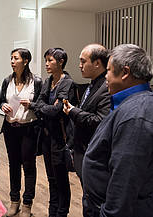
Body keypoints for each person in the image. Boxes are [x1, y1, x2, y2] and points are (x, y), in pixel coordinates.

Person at [82, 44, 153, 217]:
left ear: (125, 72)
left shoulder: (138, 115)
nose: (105, 76)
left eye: (108, 70)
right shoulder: (134, 103)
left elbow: (125, 179)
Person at [0, 48, 42, 217]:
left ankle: (27, 204)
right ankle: (14, 201)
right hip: (11, 128)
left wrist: (30, 105)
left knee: (29, 166)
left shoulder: (36, 82)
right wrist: (2, 105)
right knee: (13, 165)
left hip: (28, 129)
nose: (12, 61)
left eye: (15, 58)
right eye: (11, 58)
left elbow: (41, 104)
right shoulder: (7, 80)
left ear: (25, 61)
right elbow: (1, 100)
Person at [35, 48, 75, 217]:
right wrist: (44, 107)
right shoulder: (48, 81)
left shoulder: (67, 83)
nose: (47, 64)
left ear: (61, 62)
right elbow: (39, 103)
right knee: (51, 178)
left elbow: (57, 110)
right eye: (46, 60)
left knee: (61, 179)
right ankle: (53, 212)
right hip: (46, 135)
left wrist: (43, 107)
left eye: (50, 60)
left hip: (60, 137)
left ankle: (61, 212)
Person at [63, 44, 110, 183]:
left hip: (95, 155)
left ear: (97, 63)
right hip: (82, 152)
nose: (79, 65)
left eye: (83, 61)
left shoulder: (105, 87)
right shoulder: (93, 84)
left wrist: (73, 111)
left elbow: (100, 121)